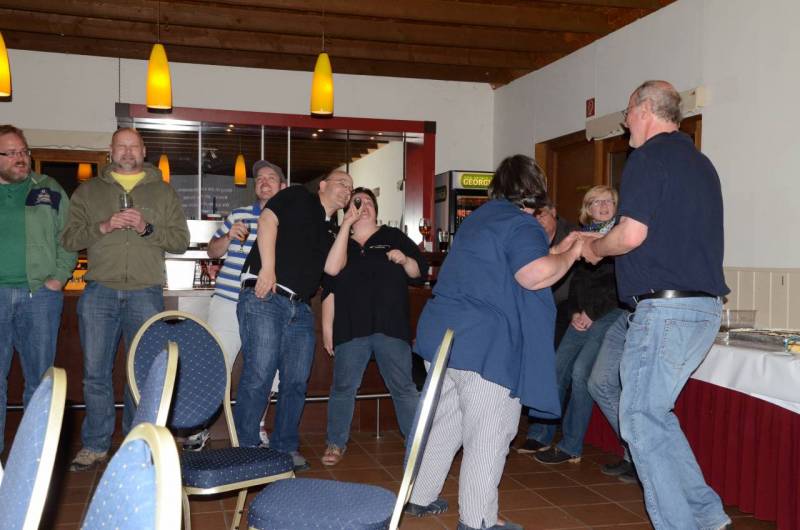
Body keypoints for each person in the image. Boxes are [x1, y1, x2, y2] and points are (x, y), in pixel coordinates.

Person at [406, 155, 584, 530]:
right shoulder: (521, 223)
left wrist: (557, 251)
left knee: (448, 420)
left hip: (442, 337)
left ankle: (420, 496)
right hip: (484, 345)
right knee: (489, 433)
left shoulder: (479, 219)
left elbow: (503, 268)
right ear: (535, 189)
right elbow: (532, 275)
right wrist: (573, 253)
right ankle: (479, 520)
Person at [582, 80, 730, 530]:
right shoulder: (701, 163)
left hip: (666, 311)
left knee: (640, 419)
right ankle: (706, 515)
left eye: (628, 112)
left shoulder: (648, 157)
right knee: (654, 417)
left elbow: (631, 235)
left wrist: (596, 249)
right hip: (702, 310)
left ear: (645, 109)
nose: (625, 122)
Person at [62, 127, 189, 471]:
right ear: (111, 151)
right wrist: (103, 227)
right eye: (122, 146)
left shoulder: (163, 192)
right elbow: (69, 239)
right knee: (95, 373)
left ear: (144, 151)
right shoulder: (89, 191)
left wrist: (147, 228)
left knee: (142, 373)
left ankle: (137, 444)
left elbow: (180, 241)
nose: (128, 152)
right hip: (99, 291)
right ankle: (95, 444)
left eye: (134, 146)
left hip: (145, 291)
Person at [235, 170, 352, 472]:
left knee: (296, 382)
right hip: (266, 295)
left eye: (350, 188)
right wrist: (268, 268)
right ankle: (246, 451)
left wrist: (347, 224)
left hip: (300, 308)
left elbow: (333, 268)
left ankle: (284, 447)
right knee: (259, 374)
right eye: (342, 183)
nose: (347, 189)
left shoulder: (330, 228)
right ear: (322, 185)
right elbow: (267, 220)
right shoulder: (299, 195)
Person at [181, 160, 288, 451]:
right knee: (216, 364)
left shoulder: (290, 220)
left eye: (271, 177)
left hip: (266, 306)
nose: (264, 182)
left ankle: (256, 427)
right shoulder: (239, 214)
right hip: (228, 301)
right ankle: (200, 426)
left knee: (266, 370)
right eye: (260, 178)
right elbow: (211, 251)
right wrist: (228, 236)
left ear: (283, 186)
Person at [319, 187, 426, 466]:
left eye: (369, 202)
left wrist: (405, 260)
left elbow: (419, 272)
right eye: (357, 202)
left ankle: (417, 446)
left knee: (404, 387)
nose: (364, 205)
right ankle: (335, 443)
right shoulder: (340, 241)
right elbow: (329, 283)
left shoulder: (393, 236)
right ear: (348, 210)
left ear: (376, 210)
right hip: (350, 326)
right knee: (343, 387)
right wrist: (327, 328)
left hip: (391, 325)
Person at [525, 185, 625, 464]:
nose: (603, 206)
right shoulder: (581, 236)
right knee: (556, 367)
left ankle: (571, 446)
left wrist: (590, 313)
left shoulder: (621, 237)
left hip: (610, 314)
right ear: (587, 209)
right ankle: (541, 435)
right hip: (581, 314)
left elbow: (618, 285)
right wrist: (574, 312)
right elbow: (575, 280)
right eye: (596, 202)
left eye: (608, 201)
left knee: (581, 373)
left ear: (616, 205)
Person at [0, 125, 76, 457]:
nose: (21, 158)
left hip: (40, 297)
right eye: (11, 153)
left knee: (40, 382)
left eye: (24, 152)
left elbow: (69, 237)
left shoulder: (48, 188)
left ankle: (34, 457)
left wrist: (58, 277)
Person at [586, 309, 637, 483]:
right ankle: (634, 454)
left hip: (656, 312)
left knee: (637, 391)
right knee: (600, 384)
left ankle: (639, 459)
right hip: (629, 313)